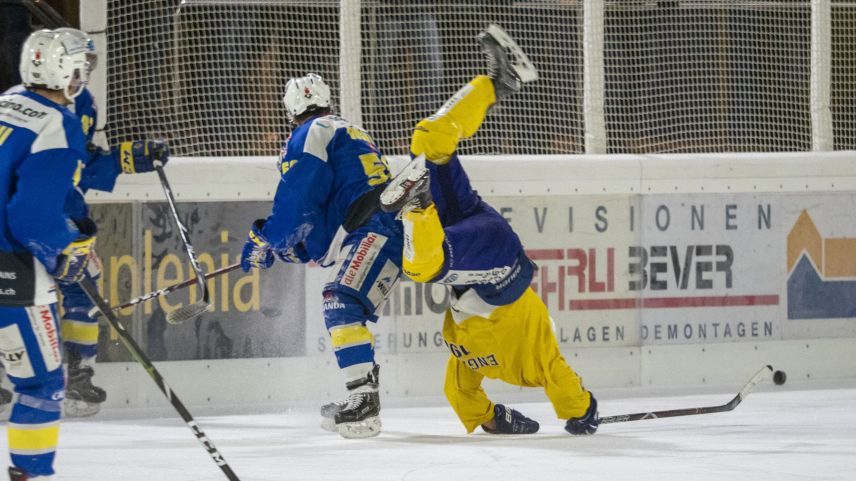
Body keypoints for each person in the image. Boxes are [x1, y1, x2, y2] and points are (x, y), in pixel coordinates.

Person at [379, 24, 600, 436]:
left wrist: (498, 421)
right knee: (424, 267)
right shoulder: (536, 364)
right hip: (500, 270)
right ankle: (415, 205)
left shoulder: (467, 364)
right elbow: (565, 385)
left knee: (429, 141)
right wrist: (584, 412)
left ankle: (499, 83)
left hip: (468, 234)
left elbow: (458, 394)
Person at [0, 28, 169, 418]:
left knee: (81, 282)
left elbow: (82, 163)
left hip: (53, 210)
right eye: (82, 66)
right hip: (36, 218)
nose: (85, 74)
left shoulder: (44, 102)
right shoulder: (43, 109)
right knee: (34, 289)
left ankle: (79, 373)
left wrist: (131, 157)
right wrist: (55, 240)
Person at [240, 73, 403, 439]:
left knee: (339, 302)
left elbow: (299, 202)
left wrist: (265, 238)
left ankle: (364, 402)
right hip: (383, 224)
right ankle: (362, 397)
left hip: (375, 227)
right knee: (341, 301)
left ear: (290, 111)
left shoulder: (308, 133)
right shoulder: (347, 129)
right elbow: (323, 218)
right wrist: (289, 248)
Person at [0, 29, 92, 480]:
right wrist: (63, 251)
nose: (83, 77)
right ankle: (30, 474)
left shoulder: (4, 104)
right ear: (62, 69)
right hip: (9, 269)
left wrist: (74, 224)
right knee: (39, 384)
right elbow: (31, 217)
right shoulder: (56, 122)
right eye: (80, 67)